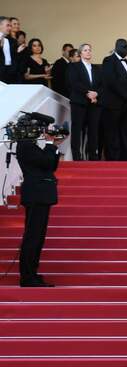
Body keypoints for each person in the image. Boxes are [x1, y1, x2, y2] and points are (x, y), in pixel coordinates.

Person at [17, 127, 64, 288]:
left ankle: (32, 274)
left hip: (41, 196)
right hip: (36, 196)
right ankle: (28, 277)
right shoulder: (25, 146)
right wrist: (50, 144)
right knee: (33, 237)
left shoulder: (30, 146)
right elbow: (47, 162)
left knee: (38, 237)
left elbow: (50, 166)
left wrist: (54, 145)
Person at [99, 39, 127, 161]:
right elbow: (111, 81)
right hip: (113, 104)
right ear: (117, 47)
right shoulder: (108, 60)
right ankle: (113, 160)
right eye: (125, 47)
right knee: (112, 134)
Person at [67, 43, 101, 161]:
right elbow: (74, 82)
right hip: (79, 102)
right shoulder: (74, 66)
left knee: (93, 130)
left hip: (94, 103)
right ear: (80, 53)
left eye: (90, 50)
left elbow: (102, 85)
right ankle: (77, 156)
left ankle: (93, 156)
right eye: (85, 50)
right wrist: (88, 92)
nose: (88, 52)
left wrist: (96, 93)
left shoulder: (96, 68)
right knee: (77, 129)